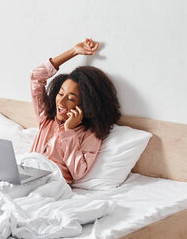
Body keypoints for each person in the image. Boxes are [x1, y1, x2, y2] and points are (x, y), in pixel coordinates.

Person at [29, 39, 120, 184]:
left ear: (85, 105)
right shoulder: (46, 118)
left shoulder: (90, 134)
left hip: (52, 184)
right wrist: (73, 52)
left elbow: (78, 172)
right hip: (26, 173)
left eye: (71, 99)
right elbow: (36, 77)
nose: (61, 102)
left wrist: (68, 131)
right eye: (60, 94)